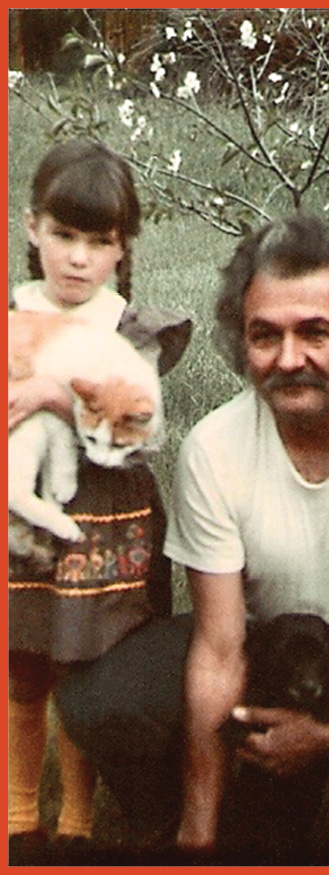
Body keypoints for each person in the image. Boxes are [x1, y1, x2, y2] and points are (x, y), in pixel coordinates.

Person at [56, 212, 329, 863]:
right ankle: (175, 813)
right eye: (264, 335)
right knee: (106, 698)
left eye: (316, 332)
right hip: (264, 663)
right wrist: (199, 832)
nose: (288, 358)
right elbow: (220, 647)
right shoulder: (215, 447)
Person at [8, 139, 191, 863]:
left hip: (105, 528)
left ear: (122, 248)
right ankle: (20, 815)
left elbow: (144, 424)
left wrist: (58, 394)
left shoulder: (129, 330)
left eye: (100, 241)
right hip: (25, 522)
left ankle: (81, 820)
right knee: (23, 666)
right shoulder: (12, 313)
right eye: (64, 235)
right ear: (32, 229)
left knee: (88, 669)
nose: (79, 258)